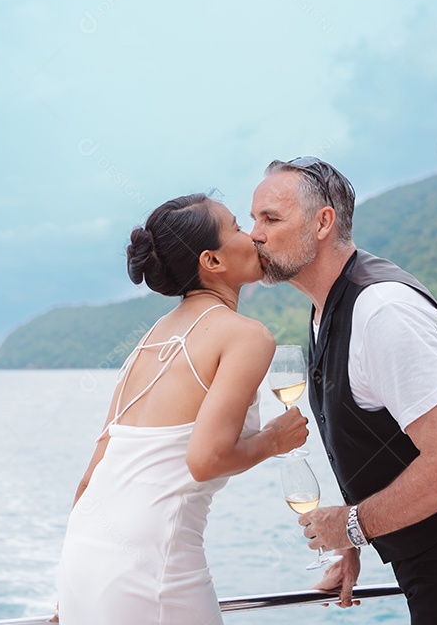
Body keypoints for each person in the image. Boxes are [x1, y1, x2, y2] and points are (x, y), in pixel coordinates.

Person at [249, 158, 437, 625]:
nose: (254, 235)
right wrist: (358, 540)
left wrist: (353, 524)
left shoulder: (384, 312)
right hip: (426, 535)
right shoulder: (326, 307)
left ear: (323, 222)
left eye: (270, 219)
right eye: (253, 219)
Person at [55, 193, 310, 624]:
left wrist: (73, 588)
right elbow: (205, 459)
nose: (252, 236)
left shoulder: (150, 339)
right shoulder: (245, 336)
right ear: (211, 262)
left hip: (83, 553)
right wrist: (274, 440)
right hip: (152, 561)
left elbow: (88, 478)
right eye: (236, 227)